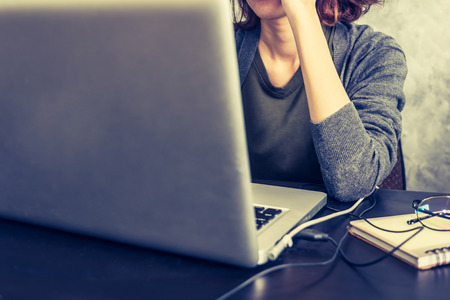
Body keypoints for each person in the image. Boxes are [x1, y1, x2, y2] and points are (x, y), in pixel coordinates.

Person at [231, 0, 407, 202]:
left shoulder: (374, 53)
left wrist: (303, 14)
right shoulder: (214, 46)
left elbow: (353, 183)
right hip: (238, 224)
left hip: (333, 228)